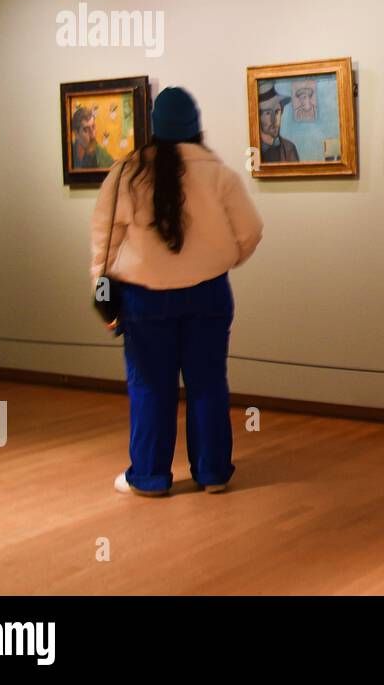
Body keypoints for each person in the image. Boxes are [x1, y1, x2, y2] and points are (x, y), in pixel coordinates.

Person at [90, 86, 264, 497]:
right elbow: (251, 231)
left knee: (150, 387)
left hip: (143, 299)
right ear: (195, 127)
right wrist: (223, 260)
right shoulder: (219, 175)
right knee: (208, 384)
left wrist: (102, 288)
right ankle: (214, 472)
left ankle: (149, 477)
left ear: (155, 126)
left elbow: (104, 239)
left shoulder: (127, 173)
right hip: (208, 294)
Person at [258, 84, 300, 162]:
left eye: (277, 111)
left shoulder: (289, 148)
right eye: (268, 113)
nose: (274, 120)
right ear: (258, 116)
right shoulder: (254, 149)